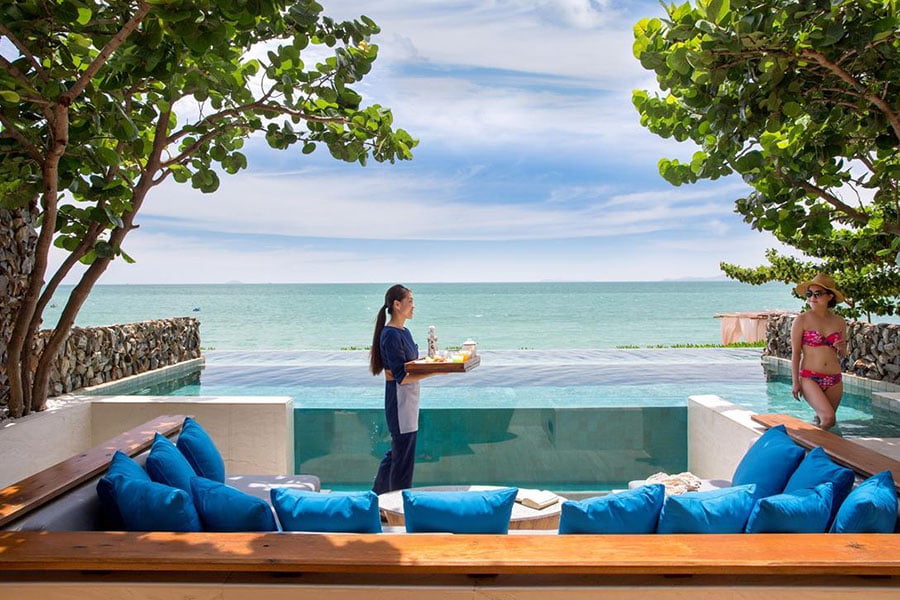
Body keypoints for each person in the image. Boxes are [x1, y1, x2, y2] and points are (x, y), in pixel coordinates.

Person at [369, 285, 441, 494]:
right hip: (400, 401)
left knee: (397, 453)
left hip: (409, 399)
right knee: (402, 460)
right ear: (397, 305)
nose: (413, 306)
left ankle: (376, 498)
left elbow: (409, 365)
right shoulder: (390, 335)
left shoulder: (404, 332)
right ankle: (399, 504)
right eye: (410, 301)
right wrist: (437, 372)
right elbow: (401, 376)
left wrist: (433, 362)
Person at [790, 274, 849, 429]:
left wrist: (842, 349)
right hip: (810, 378)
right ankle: (807, 442)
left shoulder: (839, 321)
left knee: (823, 421)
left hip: (834, 379)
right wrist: (795, 382)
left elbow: (843, 354)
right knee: (829, 419)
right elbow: (796, 353)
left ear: (830, 296)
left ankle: (815, 442)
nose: (812, 298)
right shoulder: (802, 320)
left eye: (818, 294)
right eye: (809, 294)